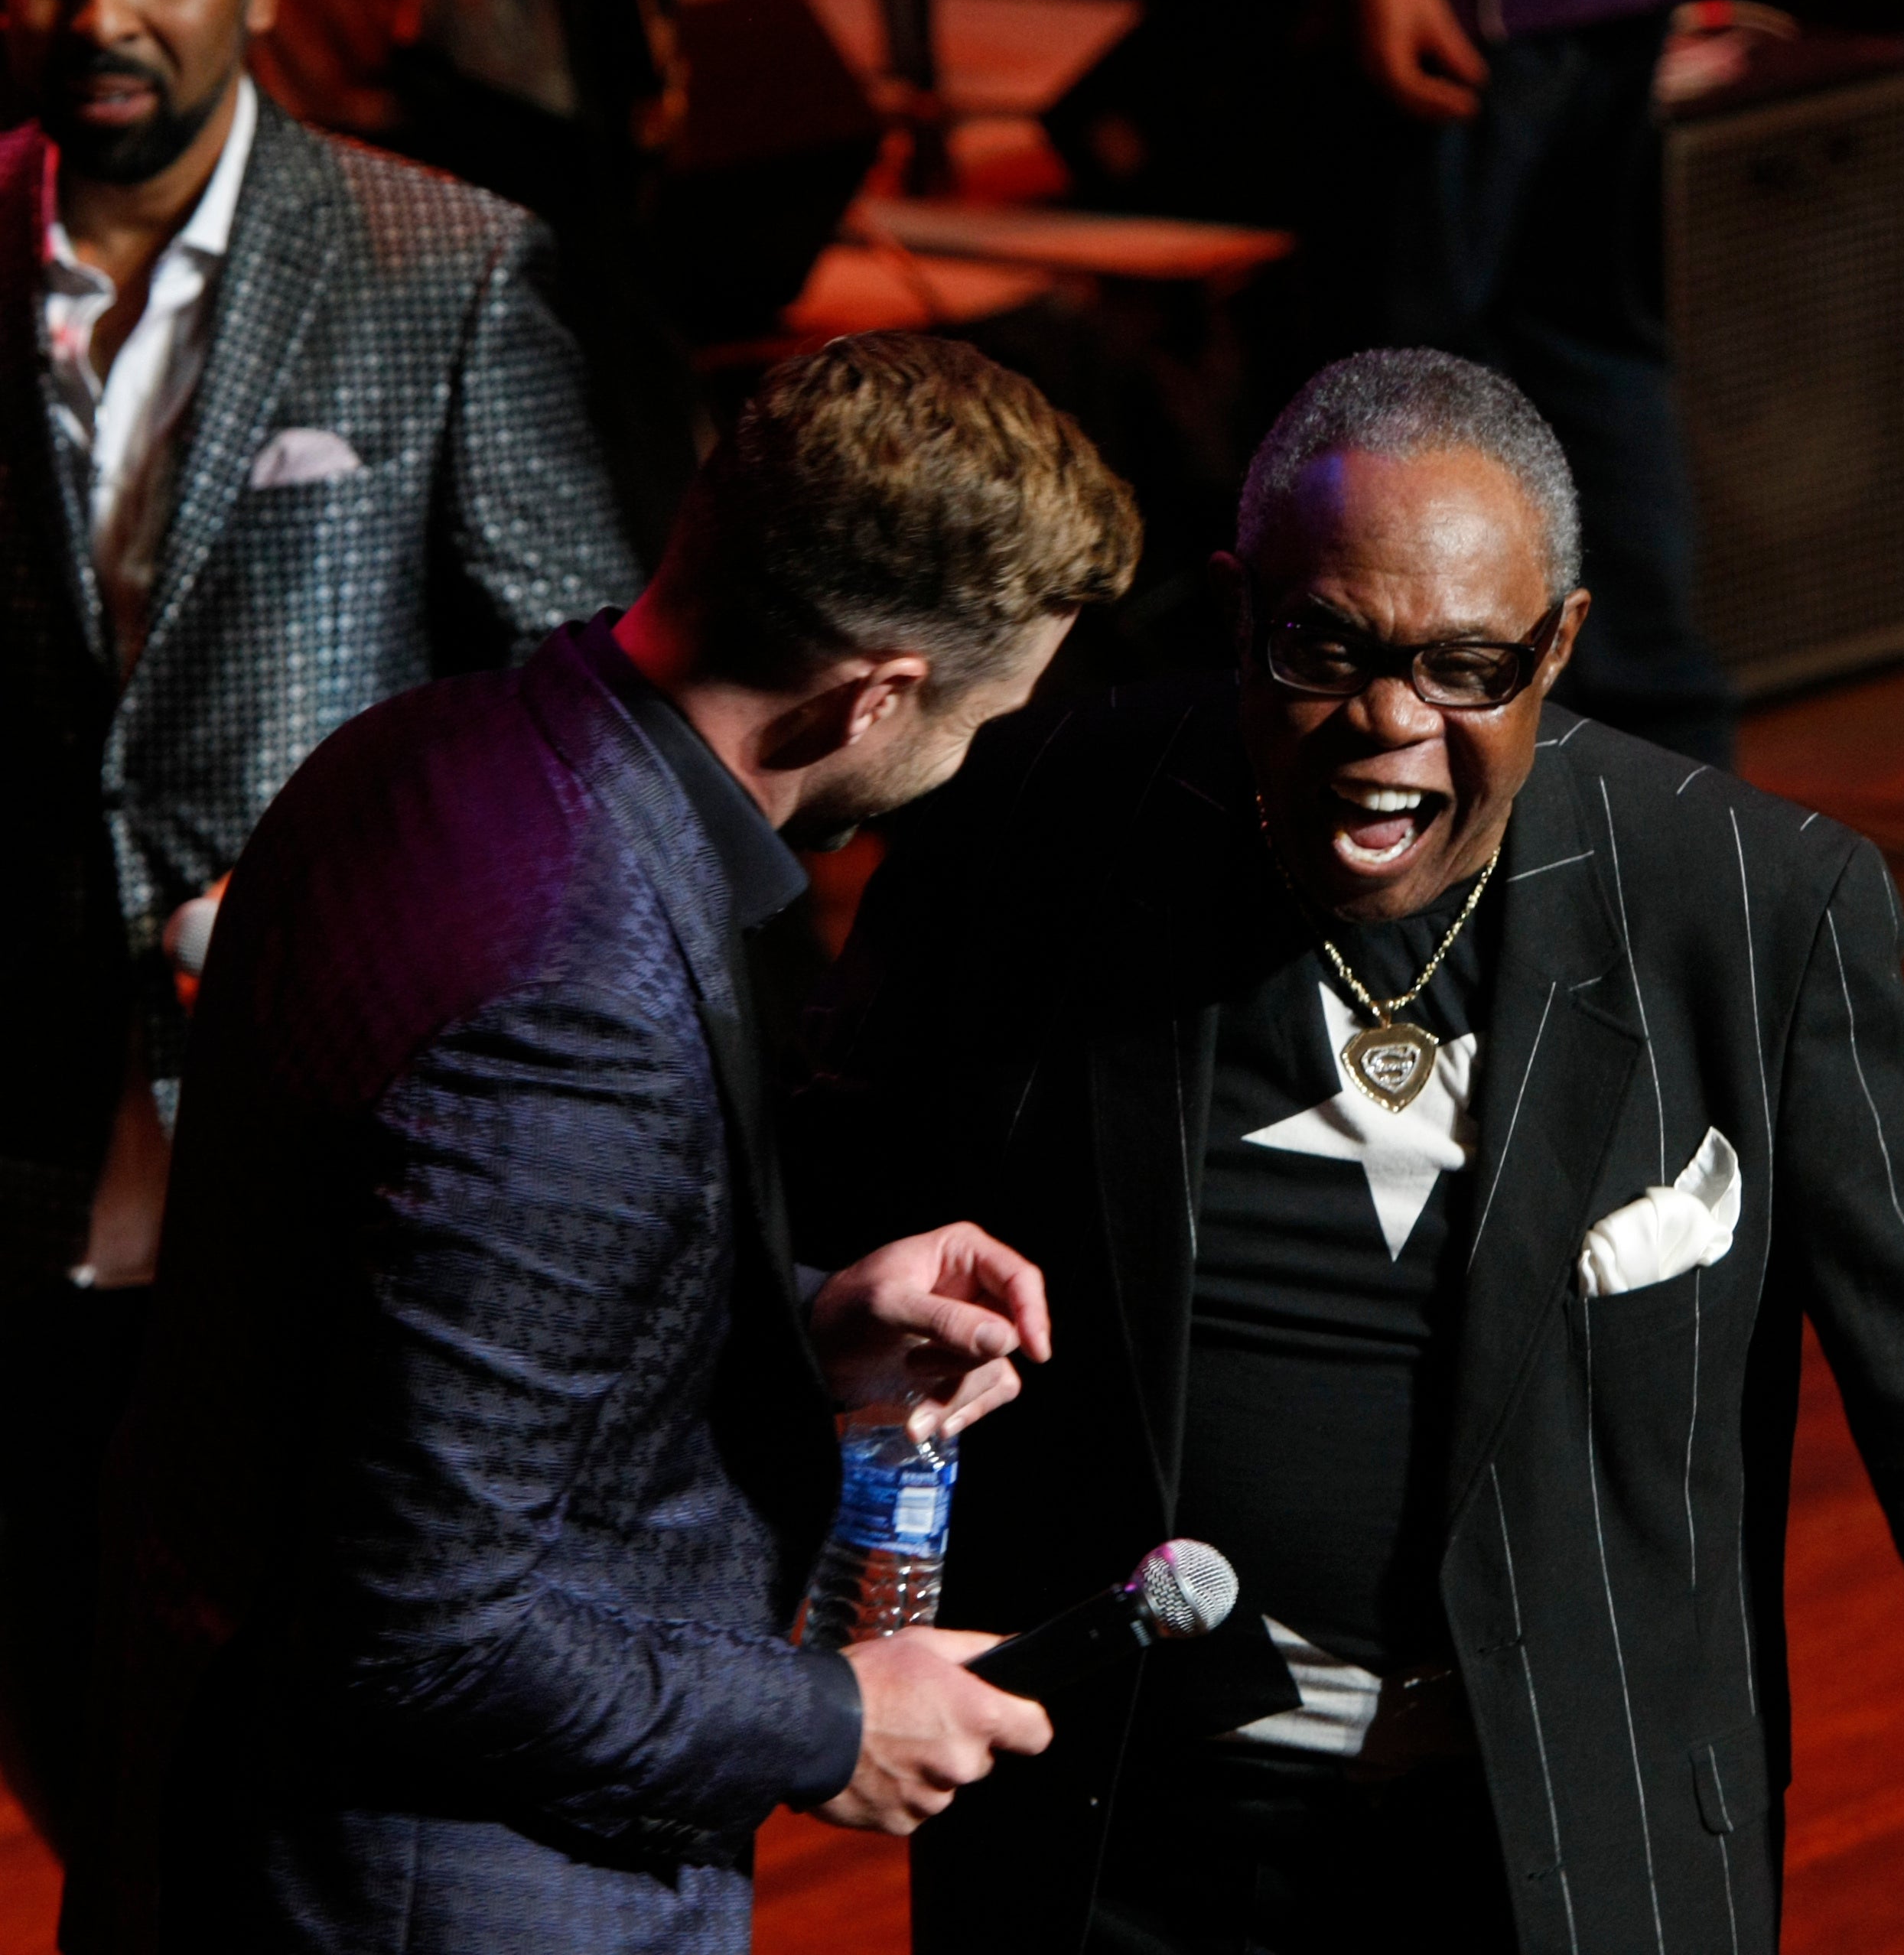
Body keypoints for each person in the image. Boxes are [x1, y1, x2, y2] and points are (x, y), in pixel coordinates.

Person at [794, 348, 1904, 1953]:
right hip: (1118, 1846)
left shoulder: (1747, 914)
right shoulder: (1038, 824)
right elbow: (800, 1238)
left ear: (1564, 644)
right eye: (1326, 650)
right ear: (1238, 605)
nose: (1392, 727)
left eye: (1470, 667)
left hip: (1567, 1872)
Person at [73, 334, 1141, 1955]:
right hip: (430, 1896)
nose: (965, 769)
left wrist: (796, 1320)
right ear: (874, 694)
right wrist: (832, 1723)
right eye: (981, 725)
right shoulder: (577, 1000)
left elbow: (400, 1317)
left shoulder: (420, 755)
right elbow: (427, 1629)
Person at [0, 0, 641, 1855]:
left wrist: (340, 911)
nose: (103, 7)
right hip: (20, 1144)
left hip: (312, 1144)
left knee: (292, 1746)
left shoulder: (437, 262)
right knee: (65, 1729)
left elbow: (575, 719)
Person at [1293, 0, 1739, 770]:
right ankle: (1669, 783)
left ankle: (1468, 761)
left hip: (1480, 8)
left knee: (1409, 389)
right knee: (1589, 347)